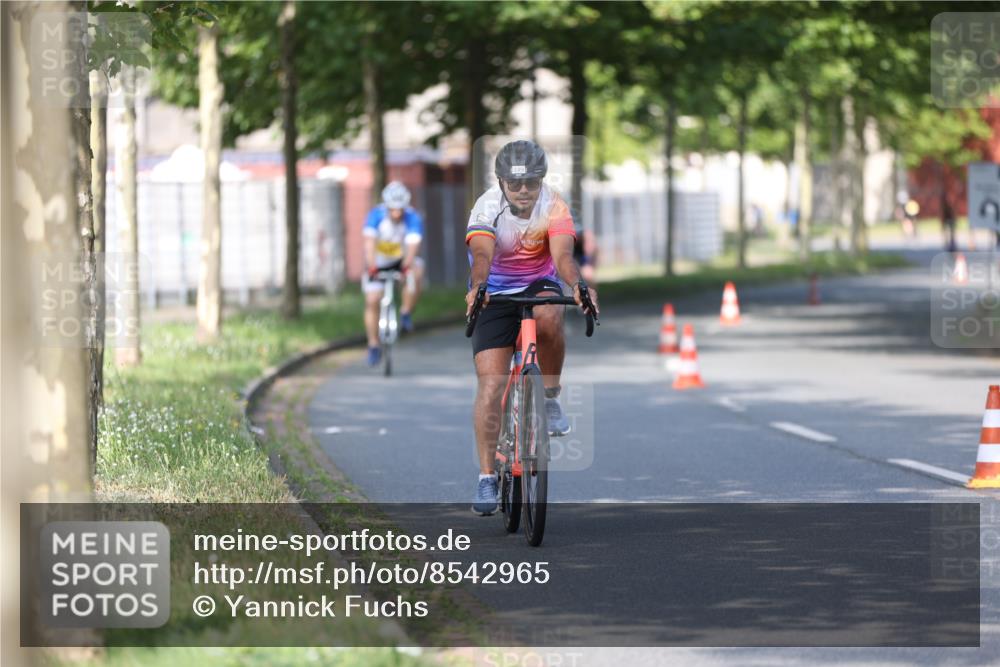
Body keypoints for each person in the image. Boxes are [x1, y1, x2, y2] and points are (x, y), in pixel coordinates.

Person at [464, 140, 599, 515]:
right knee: (490, 385)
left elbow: (563, 255)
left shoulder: (554, 205)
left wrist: (578, 285)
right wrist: (478, 287)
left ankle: (550, 396)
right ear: (501, 182)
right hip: (494, 292)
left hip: (539, 285)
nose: (524, 190)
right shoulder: (486, 207)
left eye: (532, 182)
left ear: (542, 180)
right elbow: (482, 255)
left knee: (551, 315)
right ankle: (487, 477)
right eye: (515, 183)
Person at [362, 181, 424, 367]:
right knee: (372, 300)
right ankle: (373, 344)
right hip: (378, 262)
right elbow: (369, 243)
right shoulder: (376, 215)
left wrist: (406, 266)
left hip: (401, 261)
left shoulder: (413, 217)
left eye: (400, 209)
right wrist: (372, 266)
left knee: (417, 270)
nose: (397, 213)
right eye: (393, 209)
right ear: (386, 206)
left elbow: (413, 246)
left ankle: (405, 312)